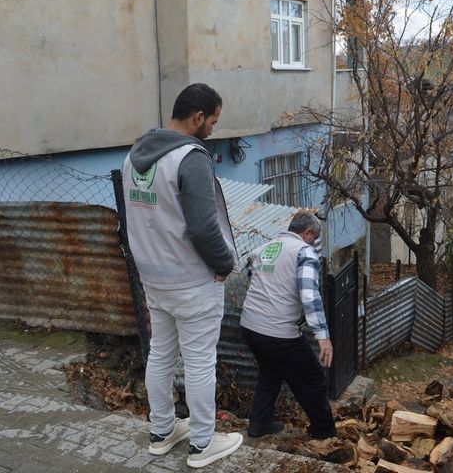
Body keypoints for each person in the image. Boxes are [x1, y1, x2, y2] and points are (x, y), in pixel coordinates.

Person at [122, 83, 243, 468]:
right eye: (212, 121)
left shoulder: (134, 157)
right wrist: (224, 265)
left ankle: (161, 432)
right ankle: (202, 444)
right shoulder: (190, 158)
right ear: (197, 117)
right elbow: (205, 229)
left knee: (160, 354)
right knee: (199, 362)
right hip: (192, 281)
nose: (213, 129)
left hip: (154, 279)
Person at [240, 211, 337, 440]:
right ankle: (324, 431)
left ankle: (259, 423)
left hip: (250, 325)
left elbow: (250, 275)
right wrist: (323, 337)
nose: (314, 243)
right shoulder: (304, 251)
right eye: (314, 238)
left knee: (271, 371)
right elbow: (310, 294)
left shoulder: (264, 248)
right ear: (307, 233)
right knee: (313, 377)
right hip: (278, 331)